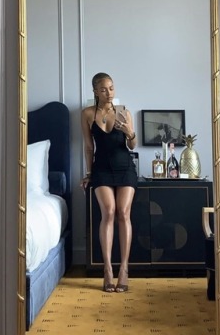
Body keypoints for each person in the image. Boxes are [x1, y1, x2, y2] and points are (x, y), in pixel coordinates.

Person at [81, 72, 137, 293]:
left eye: (111, 88)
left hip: (125, 169)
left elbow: (132, 145)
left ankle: (123, 268)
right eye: (104, 89)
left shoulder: (124, 112)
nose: (109, 93)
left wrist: (129, 132)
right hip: (101, 170)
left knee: (123, 212)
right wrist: (88, 173)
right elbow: (88, 147)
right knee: (109, 211)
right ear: (95, 91)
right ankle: (107, 269)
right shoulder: (87, 114)